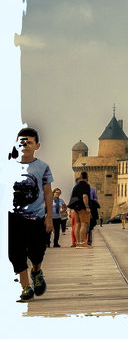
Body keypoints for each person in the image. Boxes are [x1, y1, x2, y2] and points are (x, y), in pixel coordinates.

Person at [10, 127, 53, 302]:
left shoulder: (42, 167)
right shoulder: (7, 164)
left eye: (29, 142)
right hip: (13, 217)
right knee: (15, 253)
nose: (25, 145)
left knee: (37, 251)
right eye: (21, 142)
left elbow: (48, 192)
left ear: (37, 145)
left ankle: (36, 271)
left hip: (37, 217)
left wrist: (49, 216)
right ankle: (26, 287)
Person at [68, 171, 91, 248]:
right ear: (87, 178)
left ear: (80, 177)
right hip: (82, 207)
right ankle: (82, 243)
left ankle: (77, 242)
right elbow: (85, 196)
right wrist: (87, 207)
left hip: (75, 207)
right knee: (84, 224)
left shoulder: (76, 186)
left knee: (77, 225)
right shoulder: (86, 185)